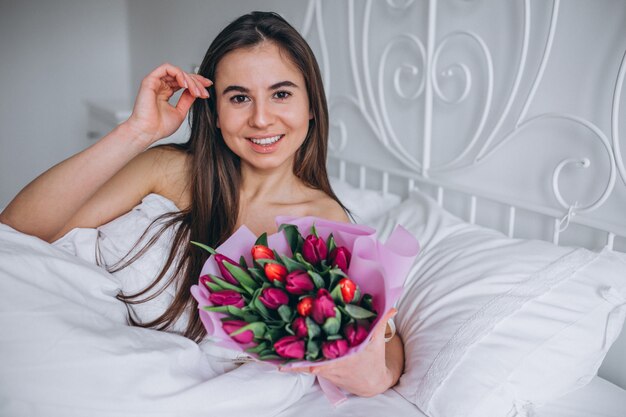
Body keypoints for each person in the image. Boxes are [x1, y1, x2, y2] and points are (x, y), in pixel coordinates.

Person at [0, 11, 403, 397]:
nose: (261, 119)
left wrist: (375, 375)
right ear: (213, 112)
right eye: (239, 97)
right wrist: (136, 132)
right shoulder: (170, 170)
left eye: (281, 94)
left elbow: (382, 346)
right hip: (74, 343)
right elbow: (17, 227)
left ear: (311, 105)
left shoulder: (324, 226)